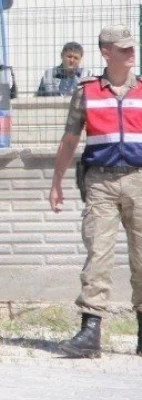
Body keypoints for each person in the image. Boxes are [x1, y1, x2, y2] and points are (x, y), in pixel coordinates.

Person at [50, 25, 142, 359]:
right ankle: (91, 331)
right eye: (124, 49)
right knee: (98, 255)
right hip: (100, 182)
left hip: (139, 180)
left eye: (132, 48)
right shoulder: (87, 91)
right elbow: (70, 139)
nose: (132, 53)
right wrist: (57, 182)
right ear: (106, 53)